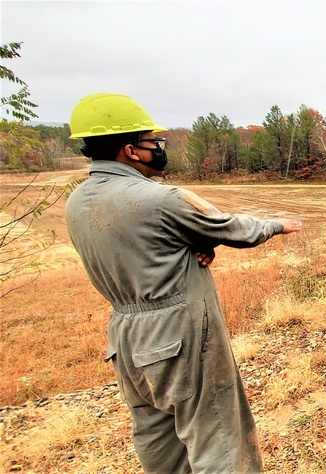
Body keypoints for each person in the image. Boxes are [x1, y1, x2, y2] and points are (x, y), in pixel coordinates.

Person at [64, 92, 302, 473]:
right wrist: (276, 225)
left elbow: (145, 248)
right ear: (130, 150)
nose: (158, 148)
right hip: (178, 334)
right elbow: (228, 227)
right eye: (151, 142)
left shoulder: (77, 203)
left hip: (125, 339)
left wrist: (190, 245)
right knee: (219, 439)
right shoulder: (160, 199)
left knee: (159, 445)